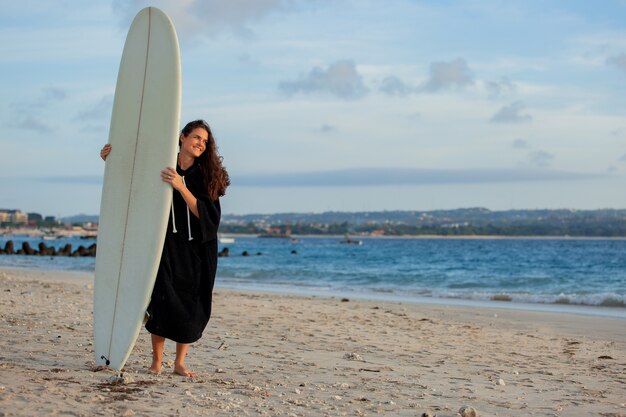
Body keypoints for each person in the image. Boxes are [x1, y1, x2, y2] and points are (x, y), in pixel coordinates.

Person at [100, 120, 230, 377]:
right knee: (160, 300)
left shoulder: (205, 176)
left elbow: (207, 217)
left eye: (205, 141)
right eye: (196, 137)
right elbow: (134, 177)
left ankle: (180, 363)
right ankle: (156, 362)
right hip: (164, 244)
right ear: (182, 137)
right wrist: (110, 159)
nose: (200, 144)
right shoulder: (163, 163)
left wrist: (181, 186)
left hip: (196, 250)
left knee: (190, 305)